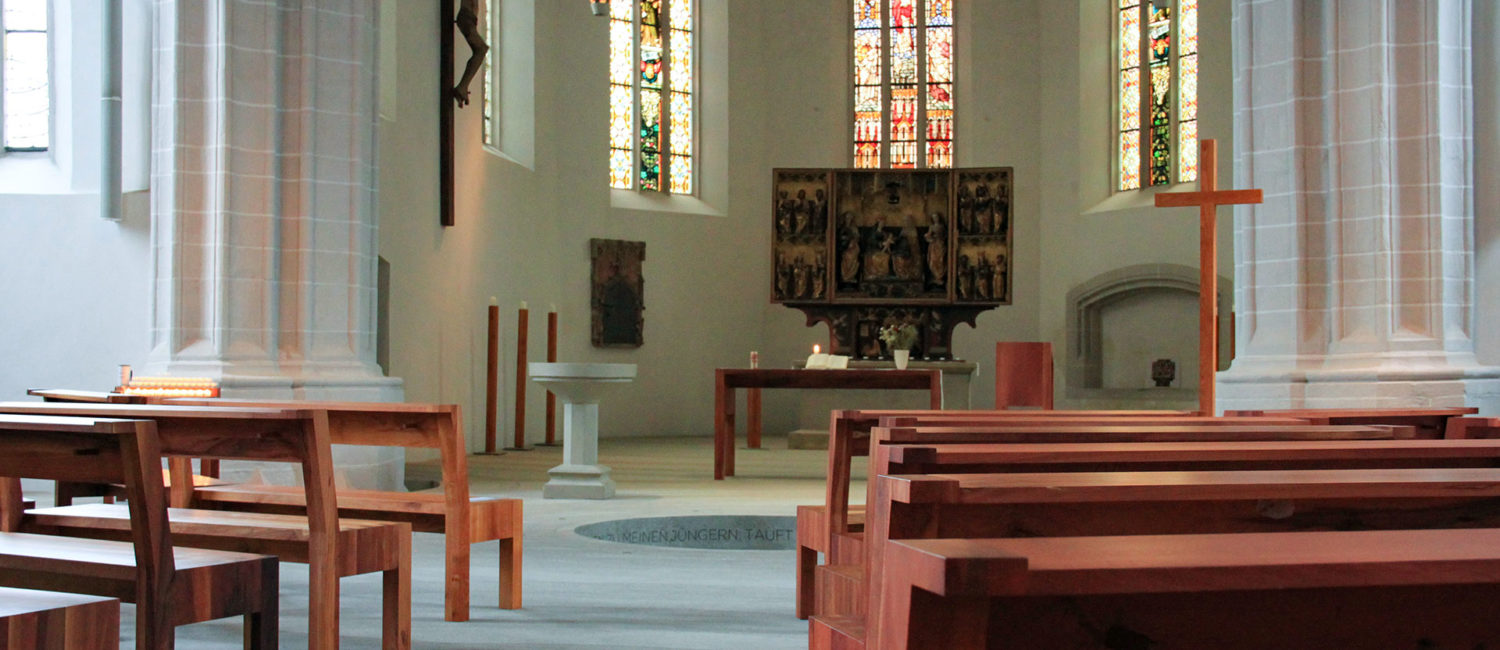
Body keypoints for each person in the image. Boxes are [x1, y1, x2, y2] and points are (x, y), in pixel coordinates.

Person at [453, 0, 490, 108]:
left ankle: (463, 86)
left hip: (470, 19)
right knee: (481, 50)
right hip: (467, 17)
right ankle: (462, 86)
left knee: (480, 50)